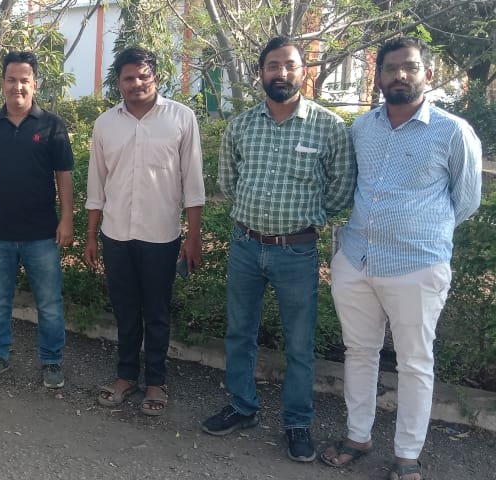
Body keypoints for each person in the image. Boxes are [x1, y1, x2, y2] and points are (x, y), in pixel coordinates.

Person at [321, 37, 482, 480]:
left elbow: (465, 200)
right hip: (356, 260)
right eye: (391, 68)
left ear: (427, 74)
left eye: (410, 67)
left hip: (417, 266)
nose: (400, 75)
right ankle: (358, 436)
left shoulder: (452, 131)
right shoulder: (362, 128)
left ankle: (407, 455)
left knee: (415, 361)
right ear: (378, 76)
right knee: (359, 352)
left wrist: (419, 231)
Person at [201, 36, 356, 463]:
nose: (281, 73)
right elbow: (229, 182)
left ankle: (297, 422)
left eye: (289, 65)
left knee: (299, 344)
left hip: (297, 252)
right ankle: (241, 406)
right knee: (239, 332)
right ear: (261, 73)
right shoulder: (242, 125)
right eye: (272, 66)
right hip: (246, 245)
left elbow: (342, 189)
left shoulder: (328, 127)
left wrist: (307, 218)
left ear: (303, 72)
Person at [83, 47, 205, 415]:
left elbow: (193, 183)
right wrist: (91, 235)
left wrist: (194, 236)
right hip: (116, 232)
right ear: (118, 82)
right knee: (124, 309)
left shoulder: (181, 119)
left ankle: (156, 381)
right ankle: (125, 376)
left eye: (143, 77)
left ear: (155, 77)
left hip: (161, 234)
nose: (136, 84)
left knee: (156, 311)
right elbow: (96, 185)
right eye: (128, 78)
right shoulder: (106, 124)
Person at [0, 51, 74, 389]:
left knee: (49, 303)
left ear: (35, 84)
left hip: (41, 234)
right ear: (2, 83)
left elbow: (64, 176)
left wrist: (67, 220)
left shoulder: (52, 125)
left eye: (24, 80)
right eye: (11, 79)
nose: (17, 86)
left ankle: (51, 362)